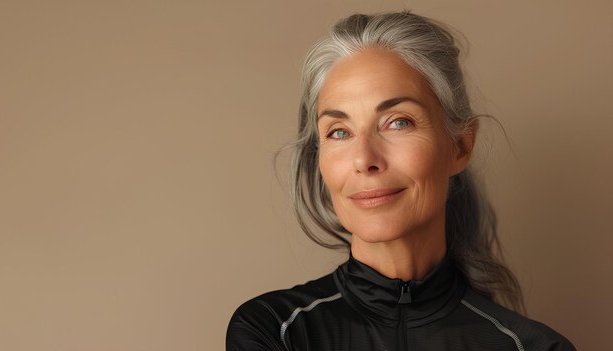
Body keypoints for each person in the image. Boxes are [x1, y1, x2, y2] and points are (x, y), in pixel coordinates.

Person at [226, 10, 575, 351]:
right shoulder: (274, 330)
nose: (364, 159)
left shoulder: (533, 346)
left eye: (398, 122)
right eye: (339, 131)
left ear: (459, 146)